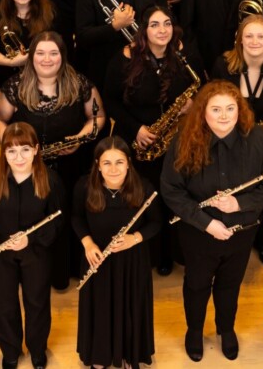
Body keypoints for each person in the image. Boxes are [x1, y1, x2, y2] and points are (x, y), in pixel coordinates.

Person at [161, 80, 263, 362]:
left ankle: (225, 329)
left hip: (241, 231)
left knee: (230, 283)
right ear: (203, 111)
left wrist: (239, 203)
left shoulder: (258, 139)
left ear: (240, 109)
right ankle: (194, 330)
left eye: (230, 108)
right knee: (197, 284)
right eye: (216, 109)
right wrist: (207, 223)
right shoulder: (184, 140)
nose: (224, 115)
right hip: (198, 231)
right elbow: (171, 190)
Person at [0, 31, 107, 289]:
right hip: (28, 167)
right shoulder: (14, 85)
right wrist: (13, 147)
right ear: (31, 56)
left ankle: (65, 272)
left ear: (63, 56)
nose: (47, 59)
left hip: (70, 165)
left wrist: (79, 138)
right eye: (41, 53)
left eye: (53, 53)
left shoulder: (79, 83)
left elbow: (98, 117)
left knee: (67, 215)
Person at [104, 6, 200, 274]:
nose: (162, 30)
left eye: (167, 24)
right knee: (142, 198)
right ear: (143, 30)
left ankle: (169, 253)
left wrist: (193, 103)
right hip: (137, 141)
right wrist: (136, 129)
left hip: (174, 140)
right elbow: (110, 100)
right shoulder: (123, 59)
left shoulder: (183, 56)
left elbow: (200, 88)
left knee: (172, 196)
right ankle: (145, 253)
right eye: (155, 25)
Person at [0, 122, 65, 369]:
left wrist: (30, 238)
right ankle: (10, 351)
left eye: (25, 149)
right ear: (3, 152)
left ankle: (37, 349)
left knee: (37, 302)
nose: (19, 157)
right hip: (0, 250)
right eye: (11, 151)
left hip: (36, 251)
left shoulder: (51, 179)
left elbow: (57, 221)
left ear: (36, 149)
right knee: (4, 303)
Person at [210, 14, 263, 265]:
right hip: (228, 137)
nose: (255, 41)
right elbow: (213, 101)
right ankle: (230, 235)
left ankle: (262, 238)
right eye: (249, 36)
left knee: (261, 193)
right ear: (239, 39)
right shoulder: (223, 65)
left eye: (261, 36)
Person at [72, 137, 161, 368]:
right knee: (100, 307)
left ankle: (130, 353)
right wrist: (88, 244)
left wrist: (135, 238)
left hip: (132, 259)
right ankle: (99, 355)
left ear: (128, 163)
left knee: (131, 307)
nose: (113, 169)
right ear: (98, 165)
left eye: (119, 162)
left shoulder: (144, 187)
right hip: (97, 256)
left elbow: (156, 222)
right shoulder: (85, 186)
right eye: (107, 163)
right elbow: (76, 217)